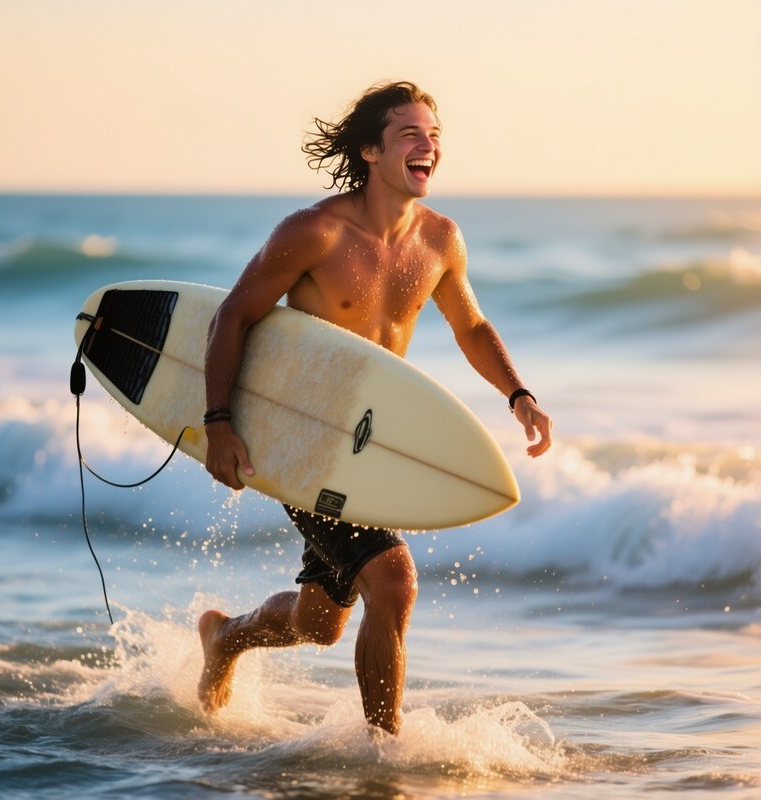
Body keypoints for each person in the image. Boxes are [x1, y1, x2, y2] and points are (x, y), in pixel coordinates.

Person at [197, 81, 552, 735]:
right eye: (410, 134)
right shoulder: (315, 232)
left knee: (320, 621)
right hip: (301, 437)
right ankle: (380, 753)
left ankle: (226, 637)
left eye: (434, 135)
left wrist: (518, 394)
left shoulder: (440, 240)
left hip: (367, 441)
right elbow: (232, 317)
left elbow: (472, 326)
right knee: (393, 583)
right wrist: (218, 423)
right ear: (370, 151)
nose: (428, 146)